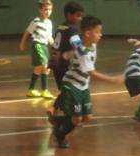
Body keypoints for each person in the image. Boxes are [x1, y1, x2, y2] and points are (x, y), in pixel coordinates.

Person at [50, 16, 123, 148]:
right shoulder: (84, 53)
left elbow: (74, 38)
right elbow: (92, 74)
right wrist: (113, 79)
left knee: (87, 117)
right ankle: (60, 135)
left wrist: (68, 54)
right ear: (88, 33)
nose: (101, 35)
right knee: (76, 119)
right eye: (98, 32)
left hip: (83, 86)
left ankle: (57, 120)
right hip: (72, 85)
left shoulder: (85, 43)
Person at [19, 0, 54, 99]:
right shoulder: (36, 21)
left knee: (40, 69)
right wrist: (22, 43)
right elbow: (27, 32)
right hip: (37, 44)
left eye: (50, 9)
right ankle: (45, 90)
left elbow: (49, 37)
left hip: (44, 46)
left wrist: (55, 45)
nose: (48, 11)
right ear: (40, 10)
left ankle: (31, 90)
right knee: (45, 65)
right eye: (45, 9)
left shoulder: (49, 23)